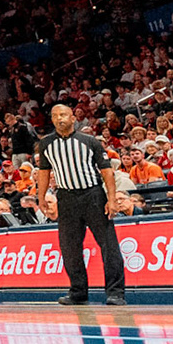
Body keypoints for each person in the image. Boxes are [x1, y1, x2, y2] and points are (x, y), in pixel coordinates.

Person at [35, 103, 126, 306]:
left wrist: (111, 199)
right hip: (66, 198)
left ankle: (116, 293)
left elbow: (107, 171)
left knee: (108, 245)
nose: (60, 118)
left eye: (64, 115)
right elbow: (44, 172)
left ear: (73, 118)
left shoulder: (89, 141)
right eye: (55, 115)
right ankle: (78, 291)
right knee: (69, 248)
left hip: (93, 195)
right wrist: (40, 197)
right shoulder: (46, 144)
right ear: (51, 119)